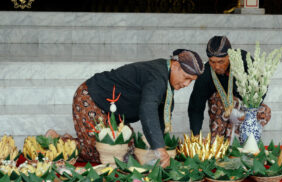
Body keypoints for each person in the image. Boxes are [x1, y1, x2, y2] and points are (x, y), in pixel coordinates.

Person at [48, 49, 204, 168]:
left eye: (191, 81)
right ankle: (59, 141)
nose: (186, 85)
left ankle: (70, 141)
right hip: (92, 98)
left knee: (126, 153)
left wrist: (160, 145)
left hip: (113, 111)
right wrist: (159, 148)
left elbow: (160, 113)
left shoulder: (165, 76)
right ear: (175, 65)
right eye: (186, 78)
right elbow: (148, 109)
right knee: (101, 153)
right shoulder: (157, 76)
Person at [188, 36, 271, 142]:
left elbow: (261, 84)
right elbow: (196, 106)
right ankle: (219, 142)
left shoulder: (242, 60)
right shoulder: (206, 72)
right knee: (219, 98)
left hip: (245, 109)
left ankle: (247, 141)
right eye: (212, 62)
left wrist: (249, 111)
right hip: (222, 111)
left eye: (221, 61)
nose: (216, 66)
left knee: (265, 111)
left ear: (229, 56)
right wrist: (195, 135)